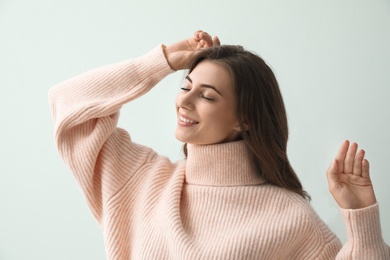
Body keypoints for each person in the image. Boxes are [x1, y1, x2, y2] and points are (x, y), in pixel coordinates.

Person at [48, 30, 389, 259]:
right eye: (186, 87)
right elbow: (68, 102)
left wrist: (362, 222)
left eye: (207, 95)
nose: (185, 102)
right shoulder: (142, 181)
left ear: (245, 118)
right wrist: (162, 60)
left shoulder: (290, 218)